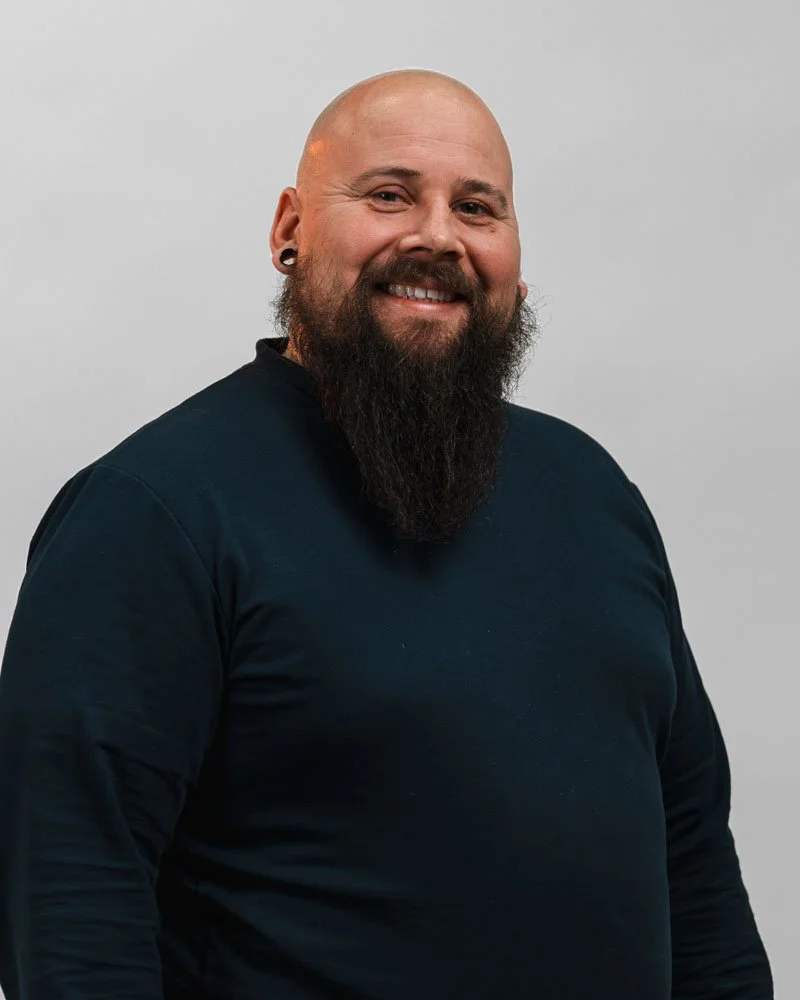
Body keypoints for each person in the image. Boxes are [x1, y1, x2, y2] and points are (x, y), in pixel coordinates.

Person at [0, 68, 773, 999]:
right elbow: (71, 909)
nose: (437, 236)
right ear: (289, 230)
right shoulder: (153, 513)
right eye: (390, 195)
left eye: (477, 208)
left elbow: (695, 864)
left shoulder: (592, 492)